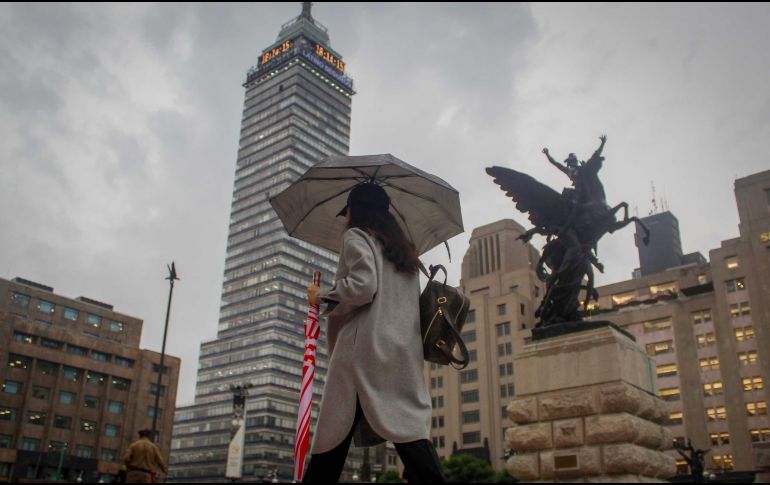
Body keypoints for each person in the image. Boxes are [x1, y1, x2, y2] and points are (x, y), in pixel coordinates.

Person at [303, 183, 446, 483]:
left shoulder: (356, 236)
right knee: (409, 431)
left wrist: (321, 296)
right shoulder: (404, 251)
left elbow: (363, 286)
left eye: (346, 211)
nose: (344, 218)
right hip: (400, 352)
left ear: (355, 210)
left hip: (362, 351)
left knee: (333, 437)